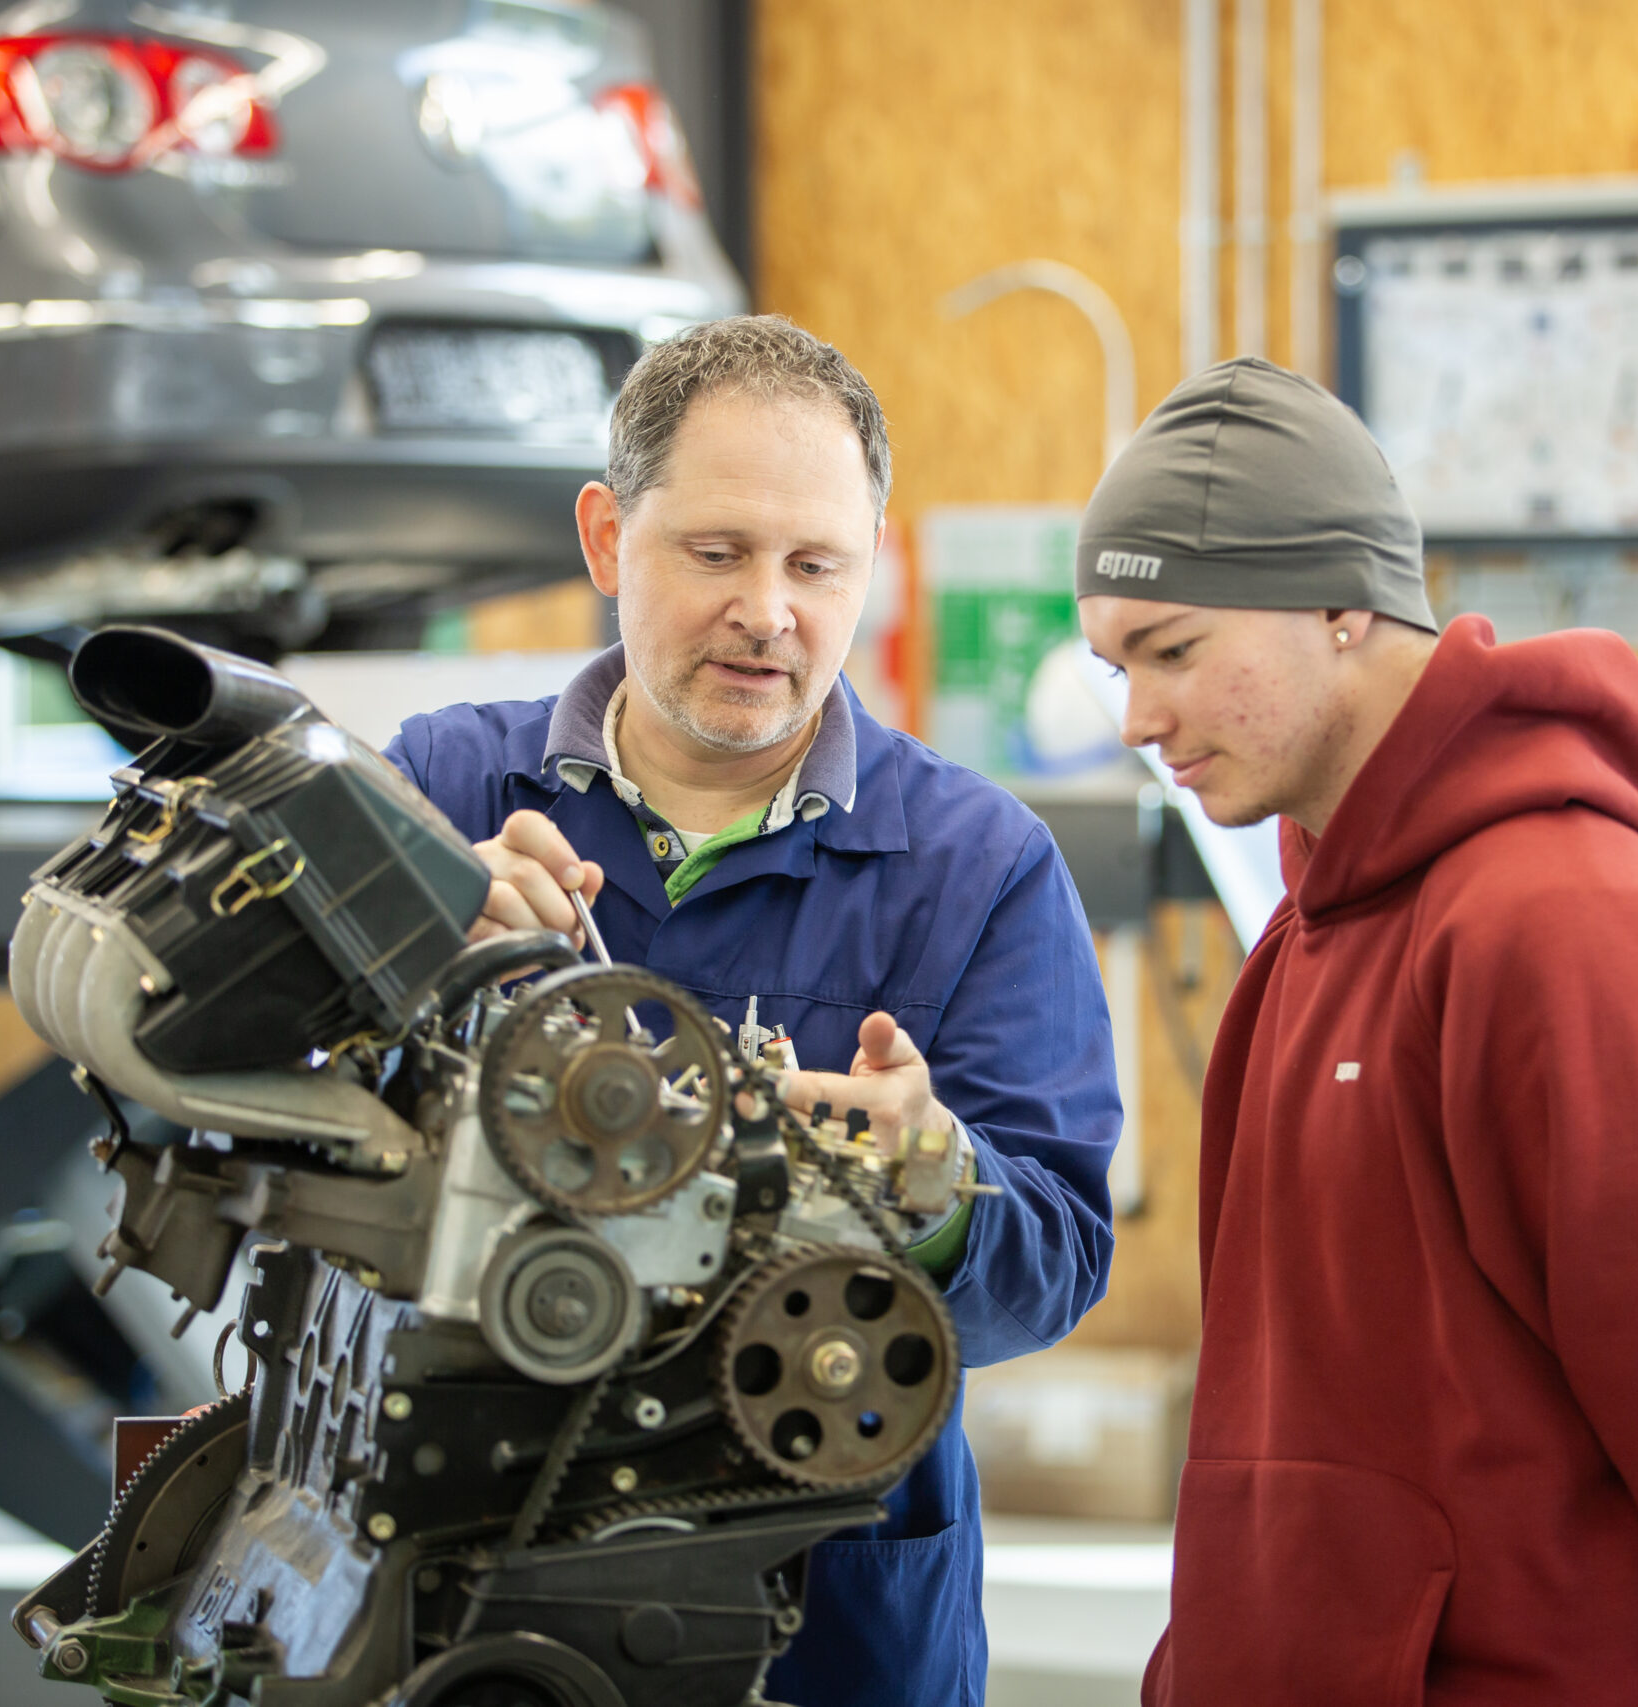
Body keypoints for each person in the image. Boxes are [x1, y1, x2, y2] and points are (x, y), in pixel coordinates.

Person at [1075, 356, 1638, 1706]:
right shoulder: (1307, 939)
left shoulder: (1568, 933)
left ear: (1341, 605)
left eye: (1174, 651)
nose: (1138, 718)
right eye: (1117, 665)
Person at [384, 315, 1121, 1706]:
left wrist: (934, 1183)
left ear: (871, 567)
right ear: (609, 539)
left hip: (827, 1604)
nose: (768, 611)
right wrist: (415, 946)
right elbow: (257, 1099)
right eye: (718, 552)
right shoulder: (442, 794)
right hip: (461, 1558)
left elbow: (1061, 1257)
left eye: (815, 564)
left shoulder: (979, 868)